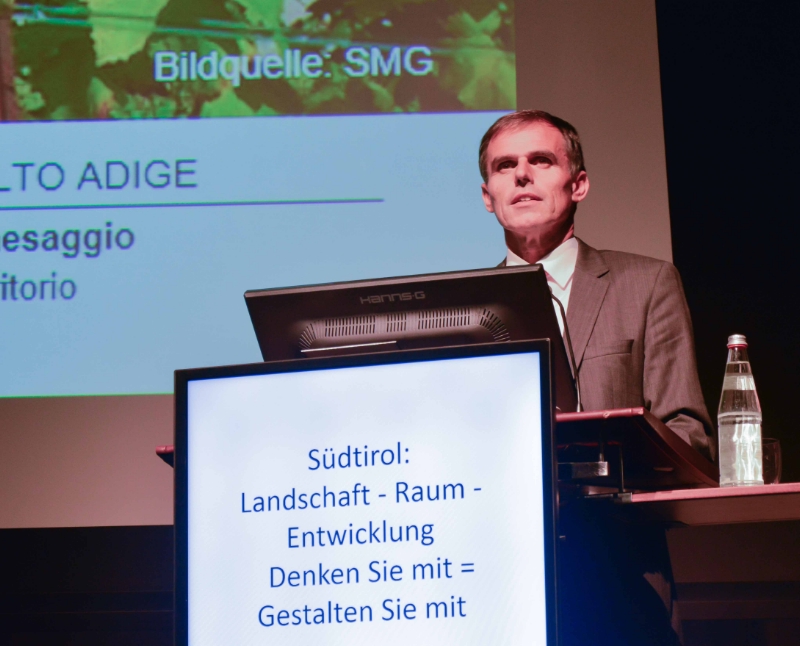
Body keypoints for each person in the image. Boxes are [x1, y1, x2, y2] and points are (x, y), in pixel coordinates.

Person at [479, 110, 714, 645]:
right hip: (501, 584)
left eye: (541, 160)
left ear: (578, 184)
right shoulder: (464, 306)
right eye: (505, 166)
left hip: (620, 574)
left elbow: (689, 434)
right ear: (488, 196)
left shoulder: (646, 284)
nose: (522, 175)